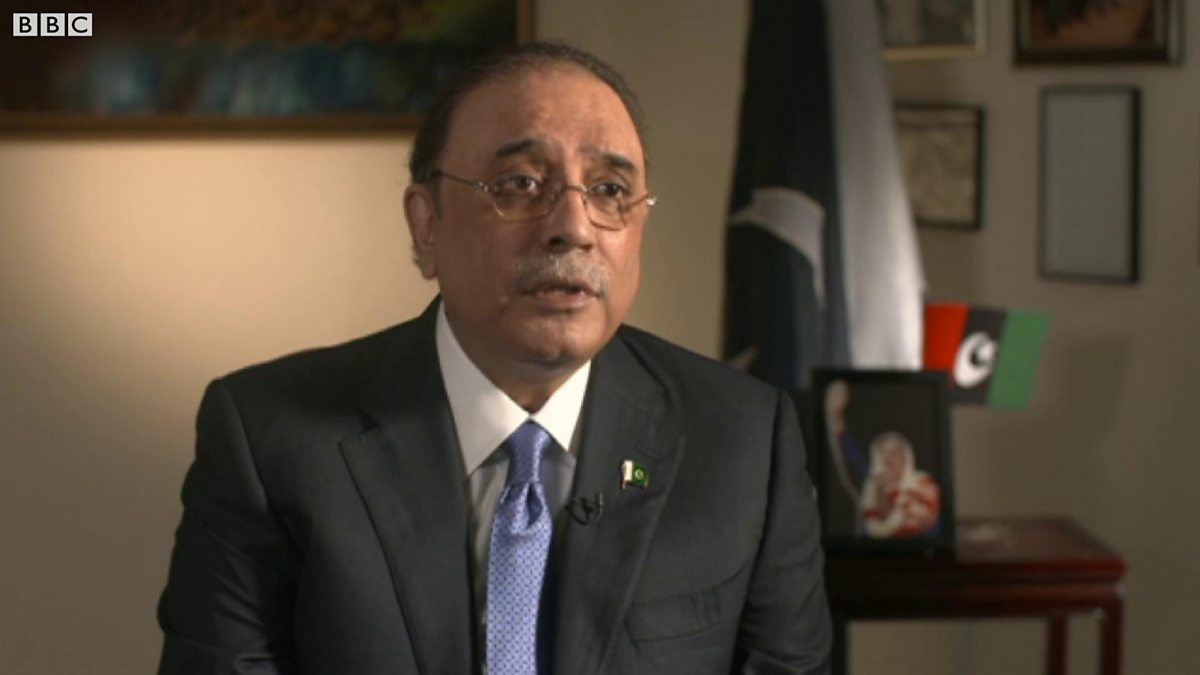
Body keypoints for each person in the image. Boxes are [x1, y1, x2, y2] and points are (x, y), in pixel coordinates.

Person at [156, 42, 831, 674]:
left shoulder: (745, 442)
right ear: (427, 225)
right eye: (520, 182)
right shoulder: (269, 439)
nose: (573, 227)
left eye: (610, 191)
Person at [859, 432, 940, 539]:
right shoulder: (873, 486)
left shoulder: (923, 482)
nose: (887, 458)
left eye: (893, 452)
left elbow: (920, 522)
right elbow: (872, 526)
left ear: (905, 457)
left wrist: (890, 491)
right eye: (882, 452)